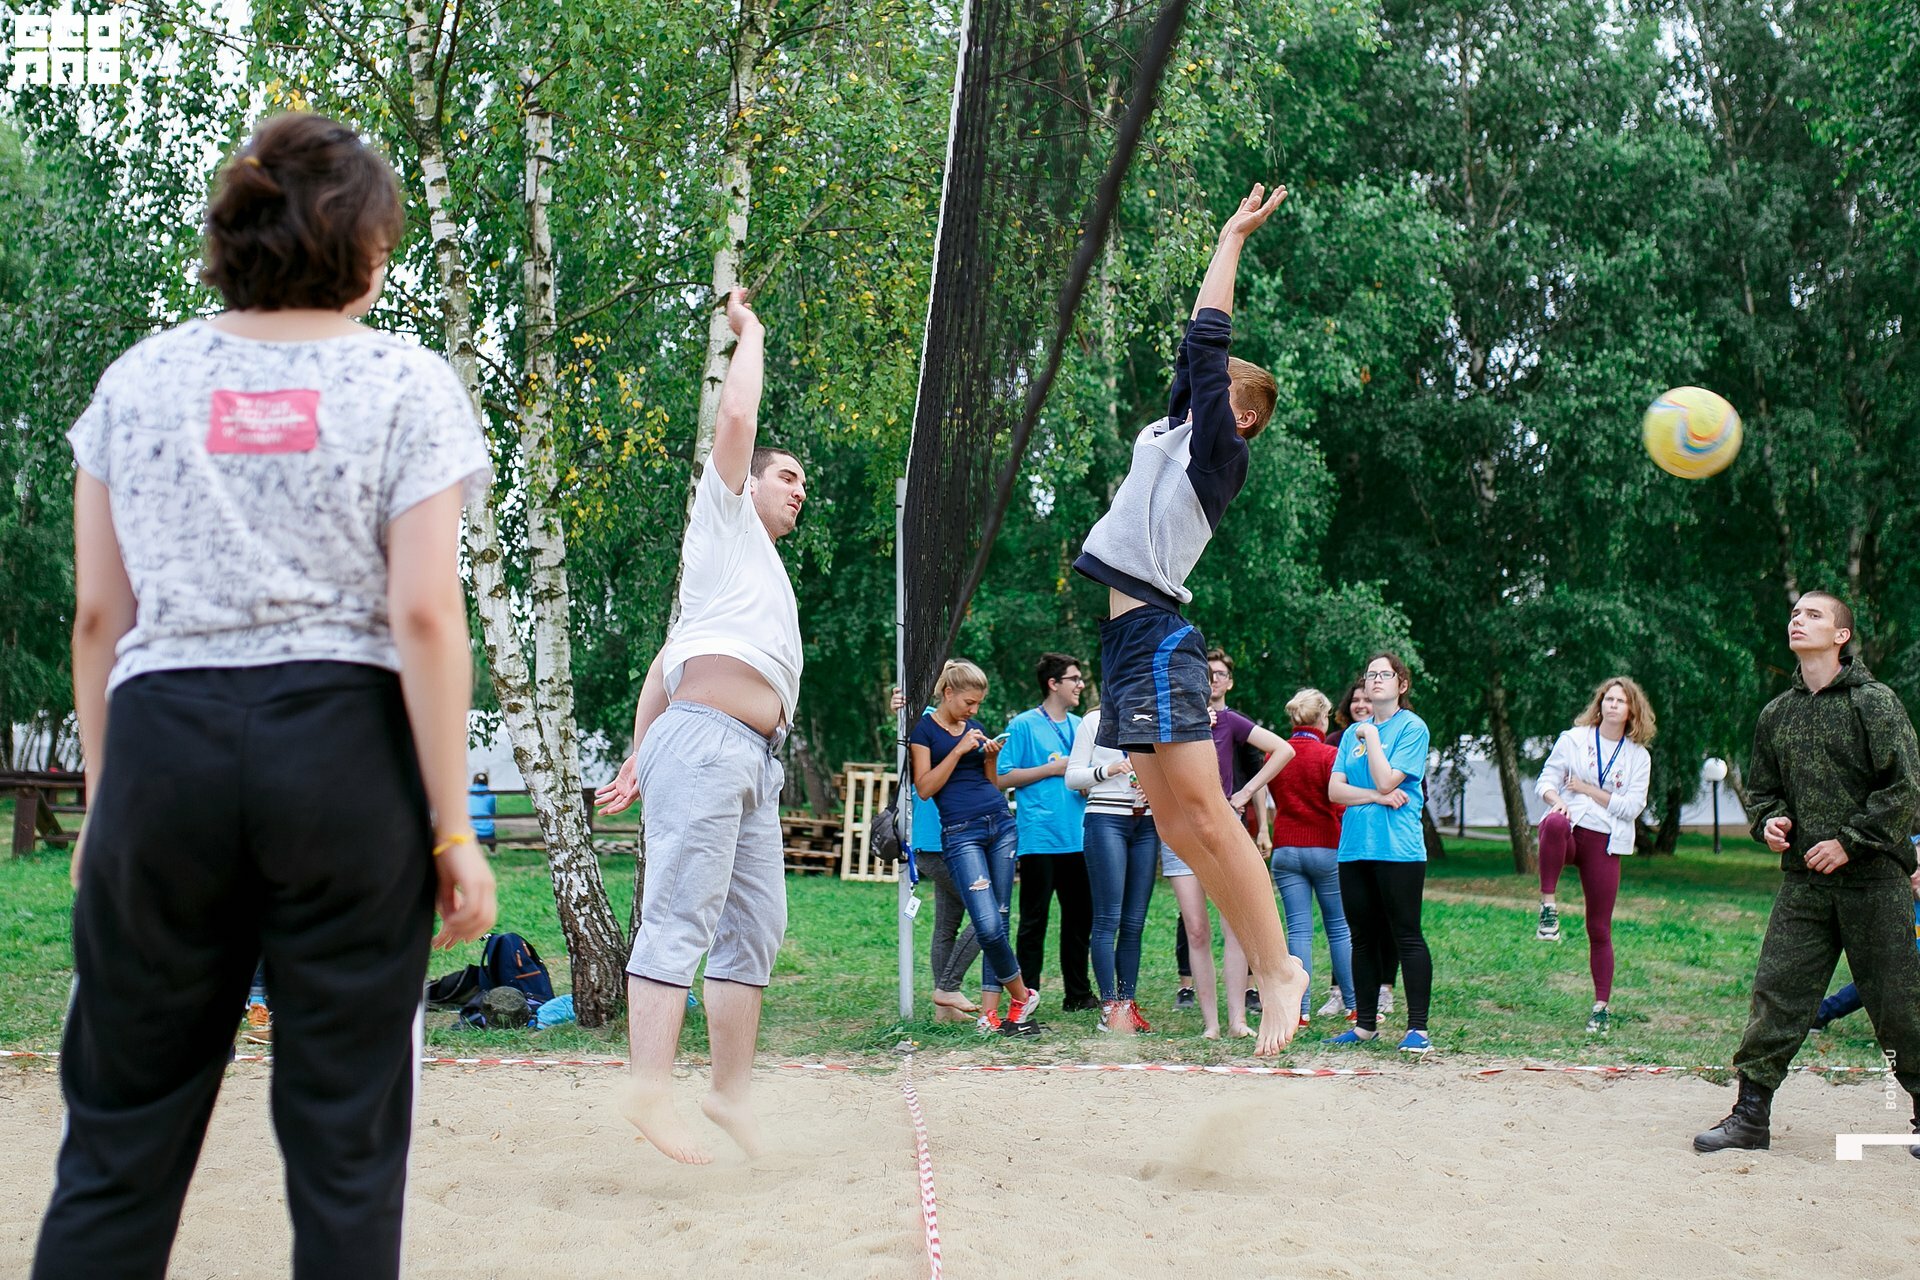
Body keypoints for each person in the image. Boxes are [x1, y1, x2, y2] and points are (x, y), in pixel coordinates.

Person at [34, 113, 498, 1280]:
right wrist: (452, 827)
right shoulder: (406, 382)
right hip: (343, 760)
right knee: (346, 1151)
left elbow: (98, 618)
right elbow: (425, 616)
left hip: (163, 751)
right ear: (363, 246)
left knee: (117, 1145)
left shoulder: (137, 383)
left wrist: (107, 800)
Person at [1071, 182, 1310, 1056]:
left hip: (1160, 634)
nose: (1202, 386)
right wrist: (1221, 243)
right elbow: (1193, 351)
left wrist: (1231, 240)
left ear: (1240, 416)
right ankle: (1272, 964)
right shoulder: (1173, 431)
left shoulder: (1220, 452)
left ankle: (1279, 969)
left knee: (1206, 814)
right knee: (1174, 824)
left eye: (1220, 390)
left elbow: (1209, 344)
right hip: (1124, 640)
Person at [594, 288, 805, 1166]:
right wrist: (751, 330)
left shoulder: (749, 579)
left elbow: (662, 663)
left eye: (803, 485)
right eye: (787, 476)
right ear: (747, 482)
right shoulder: (721, 520)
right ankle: (649, 1090)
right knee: (680, 912)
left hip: (751, 760)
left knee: (755, 929)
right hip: (711, 743)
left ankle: (728, 1095)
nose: (799, 491)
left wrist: (638, 753)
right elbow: (739, 416)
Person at [1695, 592, 1920, 1156]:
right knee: (1777, 996)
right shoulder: (1778, 713)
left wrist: (1850, 843)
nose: (1798, 619)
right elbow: (1764, 791)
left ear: (1841, 635)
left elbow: (1903, 790)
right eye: (1794, 613)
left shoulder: (1875, 703)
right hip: (1805, 884)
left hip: (1875, 883)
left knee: (1899, 1006)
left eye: (1813, 614)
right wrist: (1769, 822)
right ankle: (1750, 1118)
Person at [907, 660, 1043, 1036]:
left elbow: (991, 783)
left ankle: (1002, 1005)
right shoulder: (924, 731)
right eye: (969, 702)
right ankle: (1019, 994)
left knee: (1000, 916)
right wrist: (956, 751)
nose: (974, 710)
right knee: (986, 922)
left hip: (1000, 823)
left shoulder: (975, 728)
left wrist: (991, 757)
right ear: (948, 693)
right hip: (961, 832)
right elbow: (925, 788)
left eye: (978, 703)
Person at [1323, 652, 1435, 1053]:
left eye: (1384, 675)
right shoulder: (1352, 733)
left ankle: (1417, 1029)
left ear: (1401, 685)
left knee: (1406, 935)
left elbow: (1389, 779)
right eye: (1370, 675)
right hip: (1354, 849)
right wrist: (1374, 796)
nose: (1374, 681)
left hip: (1398, 850)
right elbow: (1335, 791)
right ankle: (1365, 1026)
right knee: (1362, 939)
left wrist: (1371, 739)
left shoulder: (1411, 728)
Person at [1534, 677, 1655, 1035]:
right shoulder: (1573, 739)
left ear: (1632, 710)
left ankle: (1601, 1006)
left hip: (1605, 841)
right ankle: (1548, 906)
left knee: (1599, 927)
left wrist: (1587, 789)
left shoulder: (1638, 756)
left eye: (1621, 700)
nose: (1613, 705)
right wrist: (1558, 800)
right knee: (1553, 823)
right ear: (1600, 704)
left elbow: (1632, 807)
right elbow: (1546, 780)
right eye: (1608, 698)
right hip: (1571, 828)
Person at [996, 653, 1095, 1011]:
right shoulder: (1023, 725)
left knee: (1079, 921)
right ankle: (1027, 995)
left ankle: (1078, 994)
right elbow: (1002, 777)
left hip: (1078, 837)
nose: (1080, 685)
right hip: (1040, 838)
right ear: (1053, 684)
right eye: (1074, 679)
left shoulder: (1082, 725)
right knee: (1033, 922)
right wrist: (1051, 770)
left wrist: (1085, 785)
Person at [1208, 648, 1294, 1034]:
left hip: (1227, 825)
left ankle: (1240, 1016)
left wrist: (1247, 799)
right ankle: (1207, 1016)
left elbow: (1281, 751)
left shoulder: (1232, 721)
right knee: (1194, 928)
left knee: (1237, 923)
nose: (1212, 679)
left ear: (1229, 682)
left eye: (1219, 674)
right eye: (1206, 673)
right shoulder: (1182, 720)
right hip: (1187, 832)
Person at [1067, 702, 1161, 1034]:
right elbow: (1072, 777)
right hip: (1106, 818)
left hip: (1146, 823)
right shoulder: (1094, 721)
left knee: (1134, 921)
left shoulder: (1153, 719)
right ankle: (1109, 1007)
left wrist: (1156, 787)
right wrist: (1108, 770)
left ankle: (1127, 1003)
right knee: (1109, 918)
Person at [1266, 688, 1355, 1029]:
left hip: (1286, 847)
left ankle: (1299, 1011)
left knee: (1298, 931)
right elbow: (1339, 804)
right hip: (1325, 847)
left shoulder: (1276, 754)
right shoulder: (1329, 755)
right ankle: (1354, 1006)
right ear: (1322, 718)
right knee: (1339, 928)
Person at [893, 686, 980, 1022]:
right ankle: (947, 988)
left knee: (947, 924)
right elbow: (906, 726)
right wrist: (897, 707)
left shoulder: (963, 725)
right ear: (946, 691)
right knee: (988, 915)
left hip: (954, 839)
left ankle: (945, 1009)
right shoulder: (926, 723)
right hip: (934, 841)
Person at [1318, 677, 1395, 1019]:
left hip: (1389, 840)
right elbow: (1334, 792)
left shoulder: (1395, 736)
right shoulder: (1339, 741)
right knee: (1352, 922)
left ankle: (1385, 988)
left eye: (1367, 699)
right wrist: (1375, 796)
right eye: (1355, 700)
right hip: (1349, 839)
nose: (1361, 705)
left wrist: (1369, 794)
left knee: (1387, 917)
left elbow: (1401, 787)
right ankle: (1341, 991)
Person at [1812, 862, 1920, 1032]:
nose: (1914, 874)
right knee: (1878, 976)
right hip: (1894, 971)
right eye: (1911, 867)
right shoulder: (1888, 900)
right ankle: (1821, 1014)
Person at [469, 770, 497, 848]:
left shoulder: (467, 793)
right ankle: (492, 850)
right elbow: (493, 812)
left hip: (471, 831)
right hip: (488, 832)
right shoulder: (491, 795)